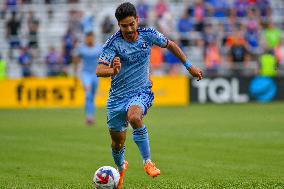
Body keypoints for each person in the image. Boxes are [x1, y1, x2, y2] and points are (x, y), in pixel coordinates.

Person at [96, 2, 203, 189]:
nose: (128, 29)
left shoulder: (149, 35)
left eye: (131, 24)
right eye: (124, 26)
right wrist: (112, 70)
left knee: (135, 117)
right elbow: (99, 70)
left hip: (141, 91)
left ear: (137, 20)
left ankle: (148, 162)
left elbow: (170, 45)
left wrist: (189, 66)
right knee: (117, 143)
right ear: (118, 25)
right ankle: (120, 167)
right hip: (117, 99)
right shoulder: (113, 43)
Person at [73, 32, 102, 125]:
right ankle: (89, 117)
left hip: (95, 74)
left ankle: (91, 115)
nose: (89, 40)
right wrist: (75, 72)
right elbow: (76, 59)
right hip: (86, 74)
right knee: (88, 94)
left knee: (92, 96)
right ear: (86, 38)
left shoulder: (98, 48)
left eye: (91, 38)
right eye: (88, 38)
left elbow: (104, 59)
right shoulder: (82, 49)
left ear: (93, 38)